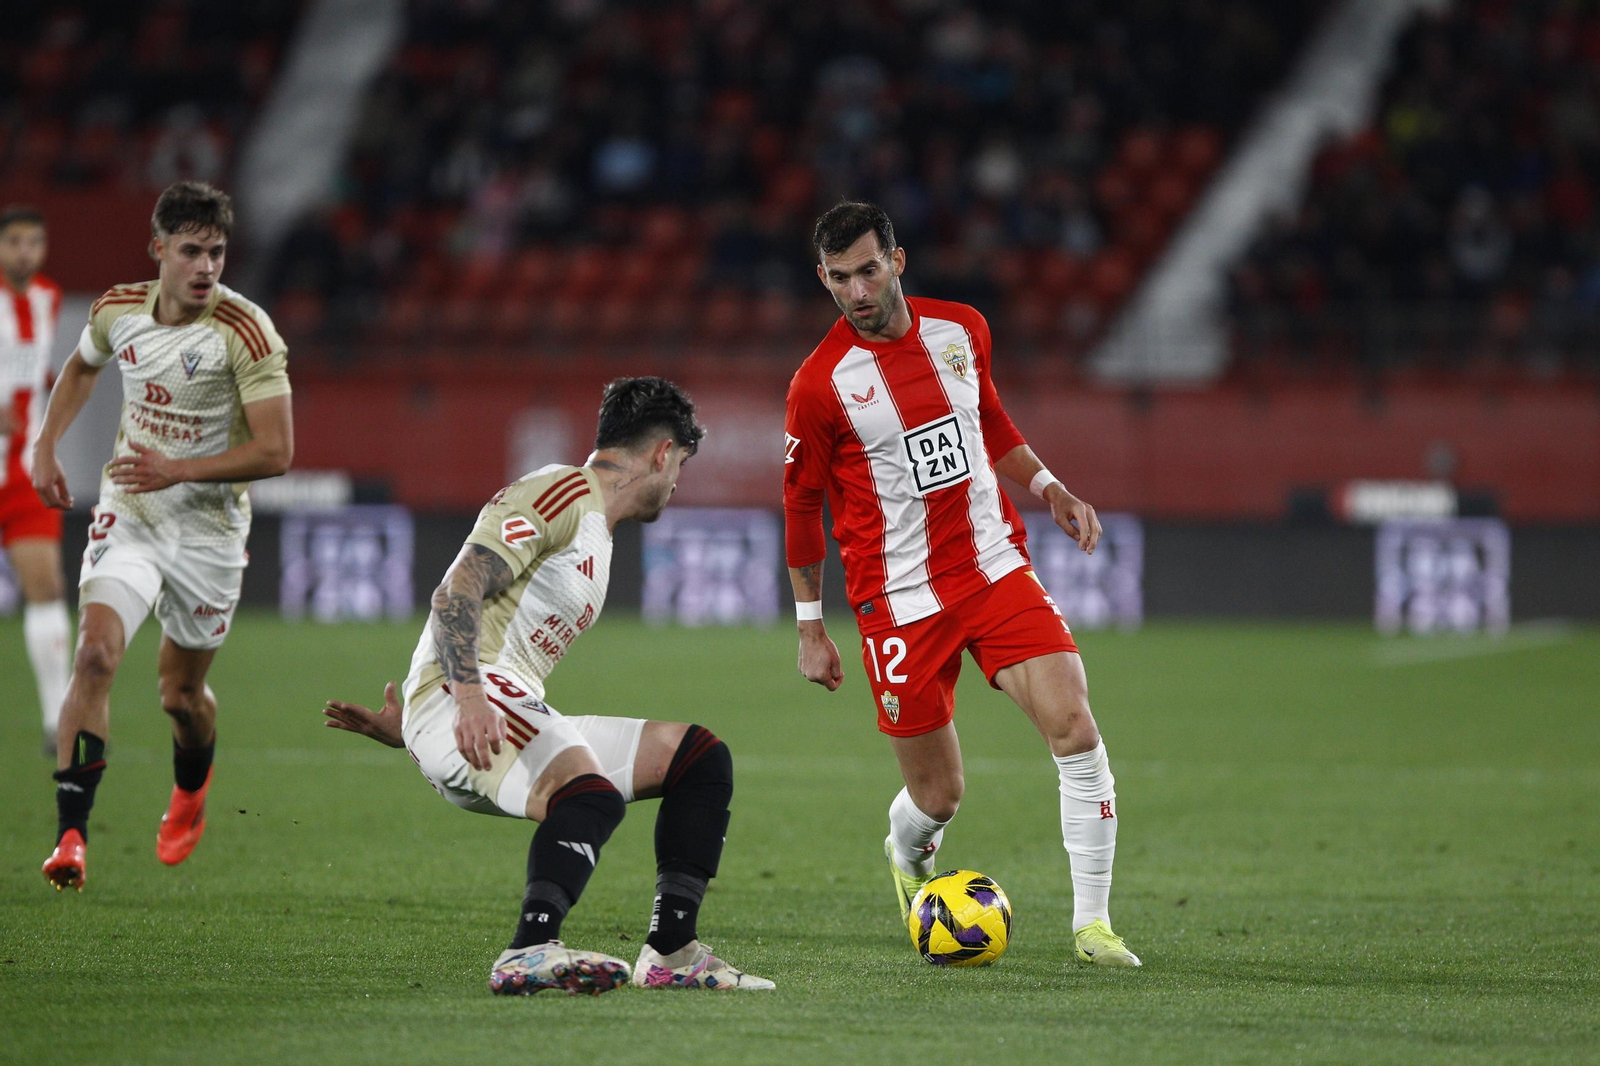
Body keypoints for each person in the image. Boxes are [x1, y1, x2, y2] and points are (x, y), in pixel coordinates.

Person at [323, 377, 773, 996]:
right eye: (681, 467)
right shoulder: (561, 492)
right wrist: (464, 698)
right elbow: (457, 590)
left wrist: (416, 727)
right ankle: (529, 949)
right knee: (589, 795)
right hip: (473, 697)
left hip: (496, 706)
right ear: (664, 454)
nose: (676, 485)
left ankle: (673, 953)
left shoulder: (598, 530)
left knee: (698, 759)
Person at [783, 201, 1141, 967]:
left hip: (991, 567)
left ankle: (1093, 928)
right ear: (824, 278)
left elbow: (990, 423)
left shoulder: (962, 330)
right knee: (939, 796)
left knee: (1075, 728)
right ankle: (907, 857)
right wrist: (811, 626)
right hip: (899, 602)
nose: (857, 290)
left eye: (869, 270)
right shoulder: (820, 386)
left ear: (898, 261)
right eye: (839, 278)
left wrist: (1048, 486)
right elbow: (800, 504)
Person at [33, 181, 294, 891]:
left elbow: (276, 452)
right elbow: (82, 367)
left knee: (180, 696)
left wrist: (179, 468)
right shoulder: (119, 310)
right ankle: (71, 836)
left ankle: (189, 792)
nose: (206, 266)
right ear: (159, 251)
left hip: (209, 531)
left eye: (216, 252)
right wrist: (45, 445)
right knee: (94, 655)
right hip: (133, 513)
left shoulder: (246, 331)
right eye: (191, 251)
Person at [0, 205, 70, 754]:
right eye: (15, 242)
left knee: (45, 588)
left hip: (22, 473)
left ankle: (56, 721)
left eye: (35, 241)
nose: (26, 251)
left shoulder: (48, 299)